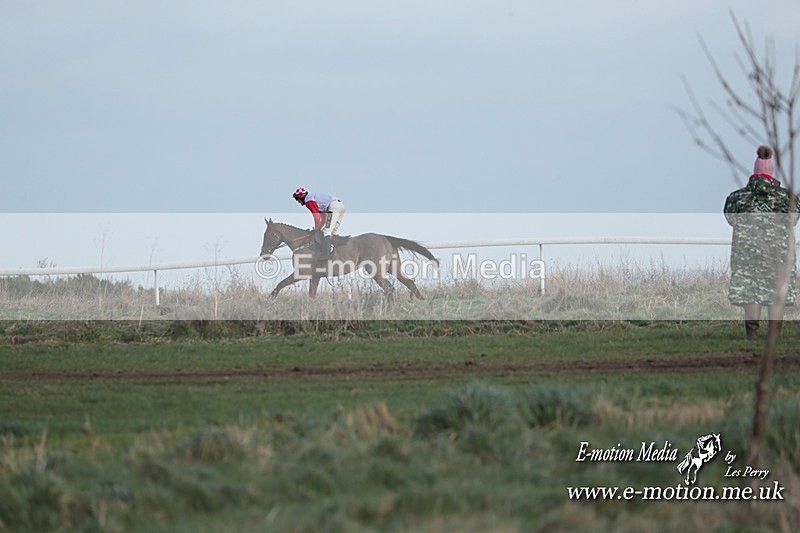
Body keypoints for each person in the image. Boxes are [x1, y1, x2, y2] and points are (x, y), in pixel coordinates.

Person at [724, 145, 799, 339]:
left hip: (747, 255)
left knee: (751, 293)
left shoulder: (736, 198)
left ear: (754, 171)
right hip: (779, 255)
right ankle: (773, 337)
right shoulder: (788, 198)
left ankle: (752, 334)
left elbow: (730, 219)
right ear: (772, 171)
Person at [292, 187, 346, 255]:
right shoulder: (314, 199)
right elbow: (323, 218)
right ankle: (334, 251)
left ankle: (326, 254)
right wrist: (318, 228)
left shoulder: (308, 200)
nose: (298, 202)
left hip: (334, 207)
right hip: (341, 206)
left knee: (326, 232)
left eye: (297, 199)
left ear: (301, 196)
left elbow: (316, 216)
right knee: (332, 232)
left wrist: (316, 228)